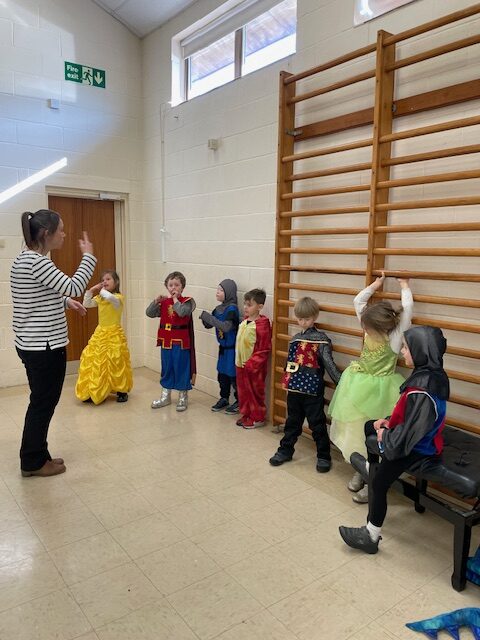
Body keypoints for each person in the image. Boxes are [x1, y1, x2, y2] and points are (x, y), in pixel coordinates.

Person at [339, 325, 450, 554]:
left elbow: (410, 435)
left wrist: (386, 434)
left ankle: (371, 535)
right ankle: (370, 465)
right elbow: (412, 418)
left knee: (379, 484)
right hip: (420, 437)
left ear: (420, 351)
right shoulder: (432, 374)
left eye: (407, 349)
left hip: (419, 447)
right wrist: (389, 421)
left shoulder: (422, 390)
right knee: (369, 424)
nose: (402, 352)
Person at [11, 209, 96, 477]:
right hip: (44, 347)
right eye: (60, 229)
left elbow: (36, 296)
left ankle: (38, 453)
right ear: (46, 234)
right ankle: (33, 462)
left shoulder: (23, 260)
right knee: (43, 403)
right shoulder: (38, 262)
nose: (64, 234)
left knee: (41, 401)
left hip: (31, 343)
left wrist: (64, 302)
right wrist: (89, 257)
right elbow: (74, 286)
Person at [328, 273, 413, 503]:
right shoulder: (369, 327)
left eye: (366, 327)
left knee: (379, 435)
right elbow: (358, 302)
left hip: (383, 391)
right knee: (357, 431)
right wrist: (376, 284)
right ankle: (361, 470)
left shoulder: (395, 337)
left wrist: (404, 286)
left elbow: (407, 310)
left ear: (378, 326)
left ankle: (373, 481)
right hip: (358, 385)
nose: (363, 329)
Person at [269, 296, 342, 472]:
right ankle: (285, 450)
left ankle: (324, 456)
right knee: (292, 422)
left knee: (317, 424)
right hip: (294, 389)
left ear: (315, 317)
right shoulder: (294, 339)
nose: (303, 322)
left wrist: (341, 383)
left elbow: (329, 364)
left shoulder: (322, 340)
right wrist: (286, 382)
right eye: (300, 318)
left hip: (313, 390)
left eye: (307, 318)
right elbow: (289, 364)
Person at [75, 270, 133, 404]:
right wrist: (90, 290)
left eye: (108, 279)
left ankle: (121, 390)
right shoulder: (100, 298)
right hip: (101, 332)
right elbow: (86, 304)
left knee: (116, 361)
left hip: (114, 333)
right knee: (97, 360)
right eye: (103, 280)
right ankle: (96, 389)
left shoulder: (118, 297)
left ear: (116, 282)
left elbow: (110, 298)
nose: (105, 282)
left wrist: (100, 289)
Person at [146, 271, 196, 412]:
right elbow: (149, 313)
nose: (173, 287)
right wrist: (156, 301)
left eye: (177, 285)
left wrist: (175, 300)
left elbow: (181, 312)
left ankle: (182, 397)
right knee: (167, 368)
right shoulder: (163, 303)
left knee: (181, 368)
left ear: (182, 287)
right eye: (170, 285)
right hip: (165, 341)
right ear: (166, 287)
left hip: (180, 342)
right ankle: (165, 396)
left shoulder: (187, 302)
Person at [199, 279, 240, 414]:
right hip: (222, 349)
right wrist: (205, 319)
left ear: (229, 293)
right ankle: (224, 398)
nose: (217, 292)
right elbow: (210, 324)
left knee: (233, 376)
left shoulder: (232, 309)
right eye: (217, 289)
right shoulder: (218, 309)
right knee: (222, 375)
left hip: (232, 349)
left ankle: (239, 401)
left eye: (221, 290)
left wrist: (209, 318)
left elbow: (226, 327)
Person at [235, 288, 271, 429]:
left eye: (249, 305)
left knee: (254, 393)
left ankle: (258, 417)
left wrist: (253, 363)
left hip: (254, 368)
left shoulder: (262, 325)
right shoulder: (244, 322)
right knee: (243, 392)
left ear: (260, 307)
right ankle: (246, 414)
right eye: (245, 304)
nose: (245, 307)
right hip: (240, 365)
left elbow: (264, 348)